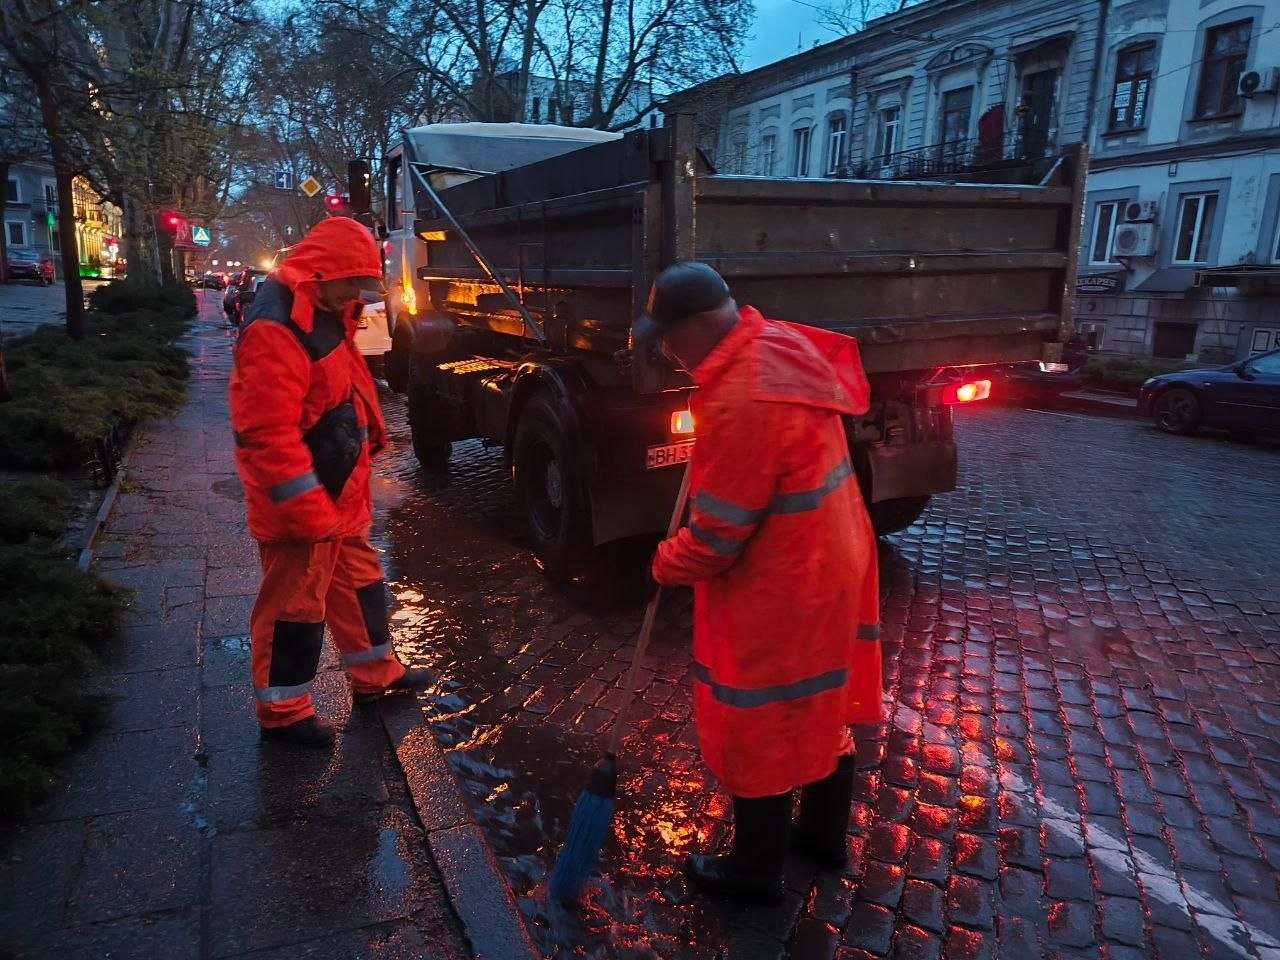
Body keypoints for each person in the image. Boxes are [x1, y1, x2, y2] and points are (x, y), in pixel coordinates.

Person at [642, 261, 882, 906]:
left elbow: (716, 541)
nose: (667, 351)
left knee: (757, 716)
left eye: (669, 337)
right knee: (819, 700)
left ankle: (754, 872)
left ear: (699, 325)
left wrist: (664, 562)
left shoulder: (742, 397)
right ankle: (823, 838)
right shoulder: (777, 343)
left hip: (785, 580)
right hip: (832, 558)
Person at [229, 217, 430, 748]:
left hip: (335, 490)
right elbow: (266, 433)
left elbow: (348, 386)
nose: (357, 296)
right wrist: (306, 508)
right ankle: (284, 713)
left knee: (359, 585)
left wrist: (368, 444)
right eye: (351, 284)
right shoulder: (277, 328)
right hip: (303, 502)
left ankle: (377, 675)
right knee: (293, 607)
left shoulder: (320, 310)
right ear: (322, 273)